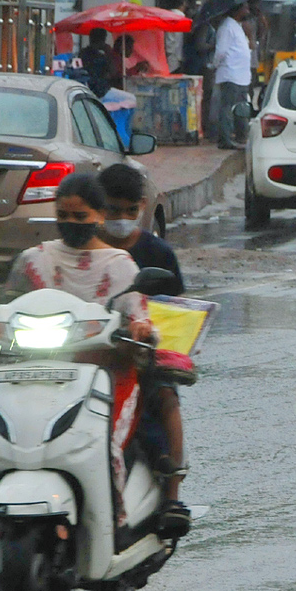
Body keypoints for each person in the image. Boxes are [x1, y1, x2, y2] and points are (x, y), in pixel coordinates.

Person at [0, 173, 190, 536]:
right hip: (40, 368)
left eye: (80, 217)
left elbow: (140, 315)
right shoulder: (33, 260)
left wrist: (140, 329)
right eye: (63, 216)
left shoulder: (122, 265)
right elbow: (6, 307)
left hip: (107, 373)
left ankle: (116, 524)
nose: (70, 224)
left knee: (105, 442)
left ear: (98, 215)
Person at [97, 163, 189, 523]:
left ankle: (172, 495)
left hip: (142, 351)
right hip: (87, 350)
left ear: (141, 207)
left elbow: (174, 310)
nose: (120, 219)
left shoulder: (159, 254)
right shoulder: (81, 251)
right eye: (111, 210)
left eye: (129, 211)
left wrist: (148, 335)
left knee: (165, 397)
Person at [212, 3, 253, 149]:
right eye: (245, 8)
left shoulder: (237, 26)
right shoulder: (227, 27)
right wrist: (215, 65)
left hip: (241, 75)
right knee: (227, 108)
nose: (247, 11)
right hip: (230, 73)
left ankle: (241, 135)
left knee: (240, 108)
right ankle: (225, 139)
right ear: (237, 10)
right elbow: (221, 51)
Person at [79, 27, 115, 95]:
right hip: (100, 90)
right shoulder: (101, 57)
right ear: (103, 40)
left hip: (85, 87)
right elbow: (112, 72)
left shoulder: (82, 53)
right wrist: (109, 54)